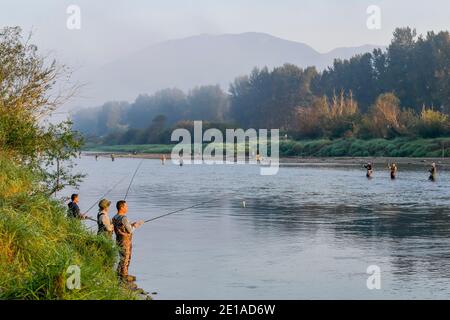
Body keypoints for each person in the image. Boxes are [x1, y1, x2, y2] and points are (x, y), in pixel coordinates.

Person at [112, 200, 144, 283]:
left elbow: (122, 227)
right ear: (121, 207)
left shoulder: (115, 217)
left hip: (118, 240)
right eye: (126, 206)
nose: (127, 208)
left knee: (121, 258)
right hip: (125, 241)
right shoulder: (124, 218)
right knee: (126, 258)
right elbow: (129, 231)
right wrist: (136, 225)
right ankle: (124, 276)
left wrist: (132, 224)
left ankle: (119, 274)